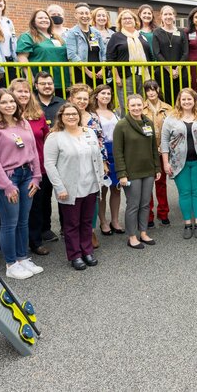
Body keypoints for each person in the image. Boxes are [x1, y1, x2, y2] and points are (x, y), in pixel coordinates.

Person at [0, 89, 43, 280]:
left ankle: (22, 258)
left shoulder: (22, 122)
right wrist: (6, 185)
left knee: (24, 221)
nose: (9, 105)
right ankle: (11, 263)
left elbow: (32, 151)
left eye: (12, 102)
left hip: (27, 175)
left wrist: (36, 177)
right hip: (7, 178)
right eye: (4, 102)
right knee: (10, 222)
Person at [44, 103, 104, 270]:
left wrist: (99, 180)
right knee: (71, 225)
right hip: (69, 189)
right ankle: (75, 255)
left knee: (86, 222)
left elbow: (97, 157)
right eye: (67, 114)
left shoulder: (89, 132)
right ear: (61, 117)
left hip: (90, 185)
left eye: (74, 114)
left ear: (79, 116)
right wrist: (59, 188)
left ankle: (87, 251)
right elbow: (49, 164)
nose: (71, 117)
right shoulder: (55, 137)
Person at [161, 88, 197, 239]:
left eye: (189, 99)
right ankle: (187, 223)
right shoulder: (170, 118)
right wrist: (166, 163)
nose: (186, 102)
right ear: (179, 100)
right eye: (183, 99)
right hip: (179, 163)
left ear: (194, 100)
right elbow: (164, 142)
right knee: (184, 193)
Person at [113, 94, 161, 249]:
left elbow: (153, 147)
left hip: (147, 170)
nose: (136, 108)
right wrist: (122, 173)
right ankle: (132, 236)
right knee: (133, 204)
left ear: (143, 105)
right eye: (133, 105)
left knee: (145, 204)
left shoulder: (148, 123)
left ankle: (143, 232)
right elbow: (117, 151)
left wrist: (157, 167)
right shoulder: (122, 125)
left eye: (139, 105)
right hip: (131, 172)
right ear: (128, 106)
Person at [8, 79, 50, 256]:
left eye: (26, 91)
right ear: (11, 94)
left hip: (39, 166)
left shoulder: (38, 114)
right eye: (19, 91)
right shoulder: (7, 116)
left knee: (37, 206)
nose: (23, 94)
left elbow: (47, 137)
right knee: (16, 209)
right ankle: (16, 245)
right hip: (16, 168)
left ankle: (35, 241)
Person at [68, 83, 109, 249]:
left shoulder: (93, 116)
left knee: (93, 199)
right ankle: (73, 232)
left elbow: (101, 139)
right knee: (74, 199)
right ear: (72, 99)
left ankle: (90, 231)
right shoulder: (67, 115)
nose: (82, 101)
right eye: (79, 98)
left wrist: (104, 161)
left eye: (85, 98)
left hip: (94, 163)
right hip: (73, 164)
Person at [32, 71, 64, 244]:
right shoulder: (31, 104)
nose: (47, 86)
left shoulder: (62, 103)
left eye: (50, 83)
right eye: (43, 83)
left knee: (64, 194)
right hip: (41, 159)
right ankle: (45, 229)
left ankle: (67, 226)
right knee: (43, 197)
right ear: (36, 86)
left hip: (62, 158)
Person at [90, 84, 123, 235]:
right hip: (101, 152)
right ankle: (103, 221)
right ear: (96, 95)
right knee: (102, 190)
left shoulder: (115, 112)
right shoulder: (92, 114)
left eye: (108, 94)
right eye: (103, 93)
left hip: (116, 151)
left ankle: (115, 220)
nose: (106, 96)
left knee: (116, 188)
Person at [106, 9, 152, 110]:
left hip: (143, 75)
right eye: (124, 18)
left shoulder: (141, 36)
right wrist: (116, 77)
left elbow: (149, 55)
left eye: (130, 18)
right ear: (120, 22)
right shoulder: (115, 37)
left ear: (135, 20)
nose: (127, 20)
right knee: (126, 105)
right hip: (125, 76)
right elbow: (110, 59)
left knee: (142, 103)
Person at [16, 9, 69, 95]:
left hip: (61, 80)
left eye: (46, 18)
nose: (44, 20)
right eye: (40, 18)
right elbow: (22, 57)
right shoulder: (27, 36)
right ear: (33, 21)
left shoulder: (57, 37)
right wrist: (29, 76)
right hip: (41, 82)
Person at [142, 80, 172, 228]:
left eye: (154, 89)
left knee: (161, 184)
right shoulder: (140, 108)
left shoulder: (168, 108)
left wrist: (164, 148)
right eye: (148, 90)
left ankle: (163, 213)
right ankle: (149, 215)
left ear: (158, 90)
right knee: (148, 185)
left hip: (163, 152)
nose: (151, 92)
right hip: (147, 153)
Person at [63, 2, 107, 86]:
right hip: (81, 72)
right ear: (75, 15)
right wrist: (87, 72)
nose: (85, 16)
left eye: (87, 13)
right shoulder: (72, 33)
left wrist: (103, 69)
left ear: (90, 15)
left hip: (99, 73)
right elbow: (72, 55)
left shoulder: (96, 33)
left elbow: (104, 52)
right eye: (81, 13)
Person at [152, 5, 189, 98]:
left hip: (180, 71)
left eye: (170, 14)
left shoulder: (182, 32)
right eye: (165, 14)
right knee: (166, 96)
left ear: (174, 16)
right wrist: (169, 69)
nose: (168, 16)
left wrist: (178, 69)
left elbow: (185, 52)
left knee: (182, 96)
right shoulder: (157, 32)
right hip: (163, 71)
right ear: (161, 16)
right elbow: (157, 53)